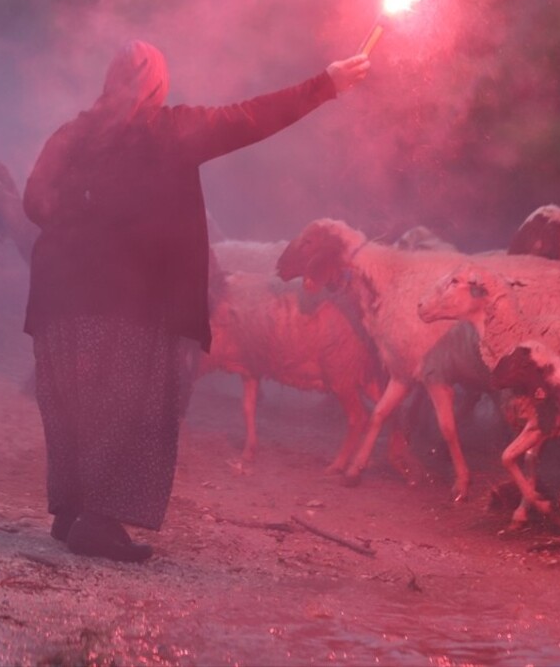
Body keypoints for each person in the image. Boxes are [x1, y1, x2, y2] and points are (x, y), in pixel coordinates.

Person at [22, 40, 370, 562]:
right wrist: (327, 84)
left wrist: (78, 224)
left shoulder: (72, 134)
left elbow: (34, 202)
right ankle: (96, 521)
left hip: (58, 299)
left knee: (76, 403)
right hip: (128, 305)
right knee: (128, 407)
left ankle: (72, 512)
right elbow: (251, 117)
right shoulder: (168, 132)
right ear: (158, 84)